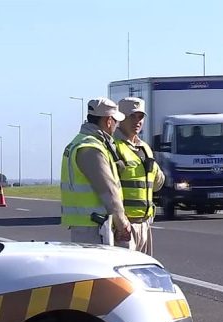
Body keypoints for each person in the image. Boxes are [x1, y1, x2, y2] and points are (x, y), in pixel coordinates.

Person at [60, 98, 131, 246]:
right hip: (95, 226)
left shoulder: (79, 141)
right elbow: (108, 190)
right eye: (116, 121)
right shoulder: (92, 148)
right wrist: (122, 222)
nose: (117, 126)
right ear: (108, 121)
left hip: (86, 224)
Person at [114, 97, 165, 255]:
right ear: (121, 118)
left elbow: (158, 183)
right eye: (132, 117)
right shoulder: (113, 146)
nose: (137, 121)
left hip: (144, 224)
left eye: (140, 117)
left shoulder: (144, 148)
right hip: (123, 226)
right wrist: (120, 222)